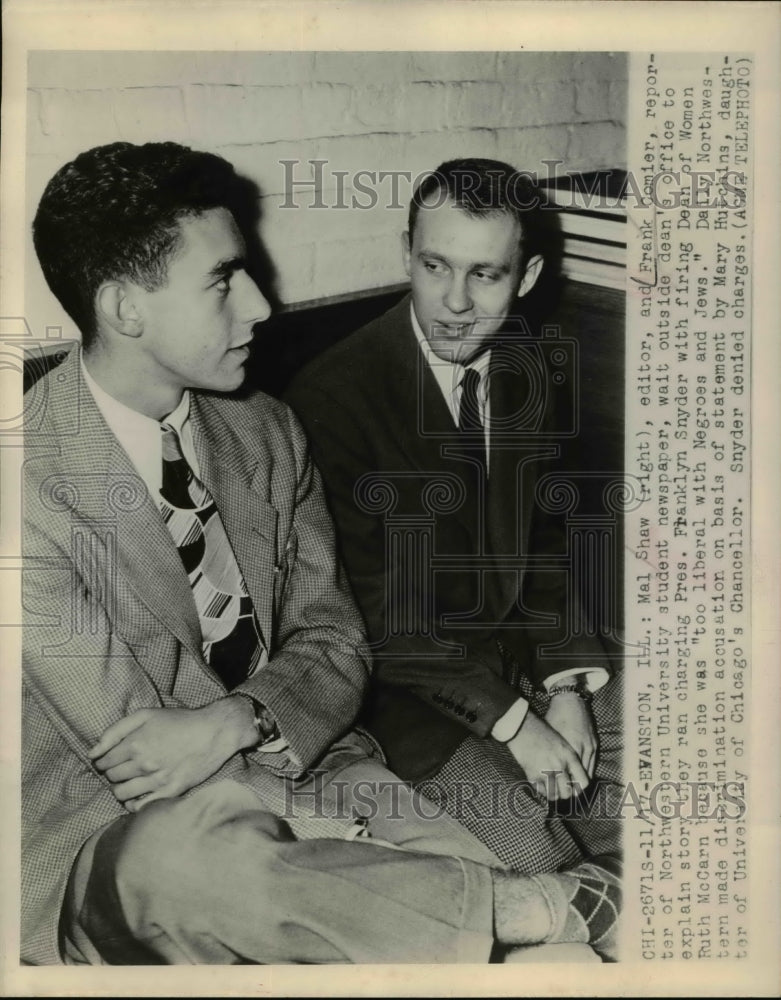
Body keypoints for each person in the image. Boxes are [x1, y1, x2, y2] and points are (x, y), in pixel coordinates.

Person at [22, 142, 621, 967]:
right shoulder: (28, 483)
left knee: (543, 949)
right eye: (224, 279)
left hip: (319, 756)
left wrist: (247, 718)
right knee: (475, 907)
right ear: (127, 308)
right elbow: (144, 754)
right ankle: (542, 902)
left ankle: (536, 904)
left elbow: (334, 636)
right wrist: (351, 840)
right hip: (137, 841)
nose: (263, 305)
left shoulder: (262, 428)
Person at [286, 158, 623, 873]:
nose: (455, 303)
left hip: (526, 663)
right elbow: (376, 618)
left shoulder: (528, 366)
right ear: (405, 252)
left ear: (525, 277)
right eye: (435, 266)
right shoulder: (331, 398)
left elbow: (545, 543)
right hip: (408, 701)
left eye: (485, 274)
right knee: (536, 859)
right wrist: (516, 725)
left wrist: (565, 687)